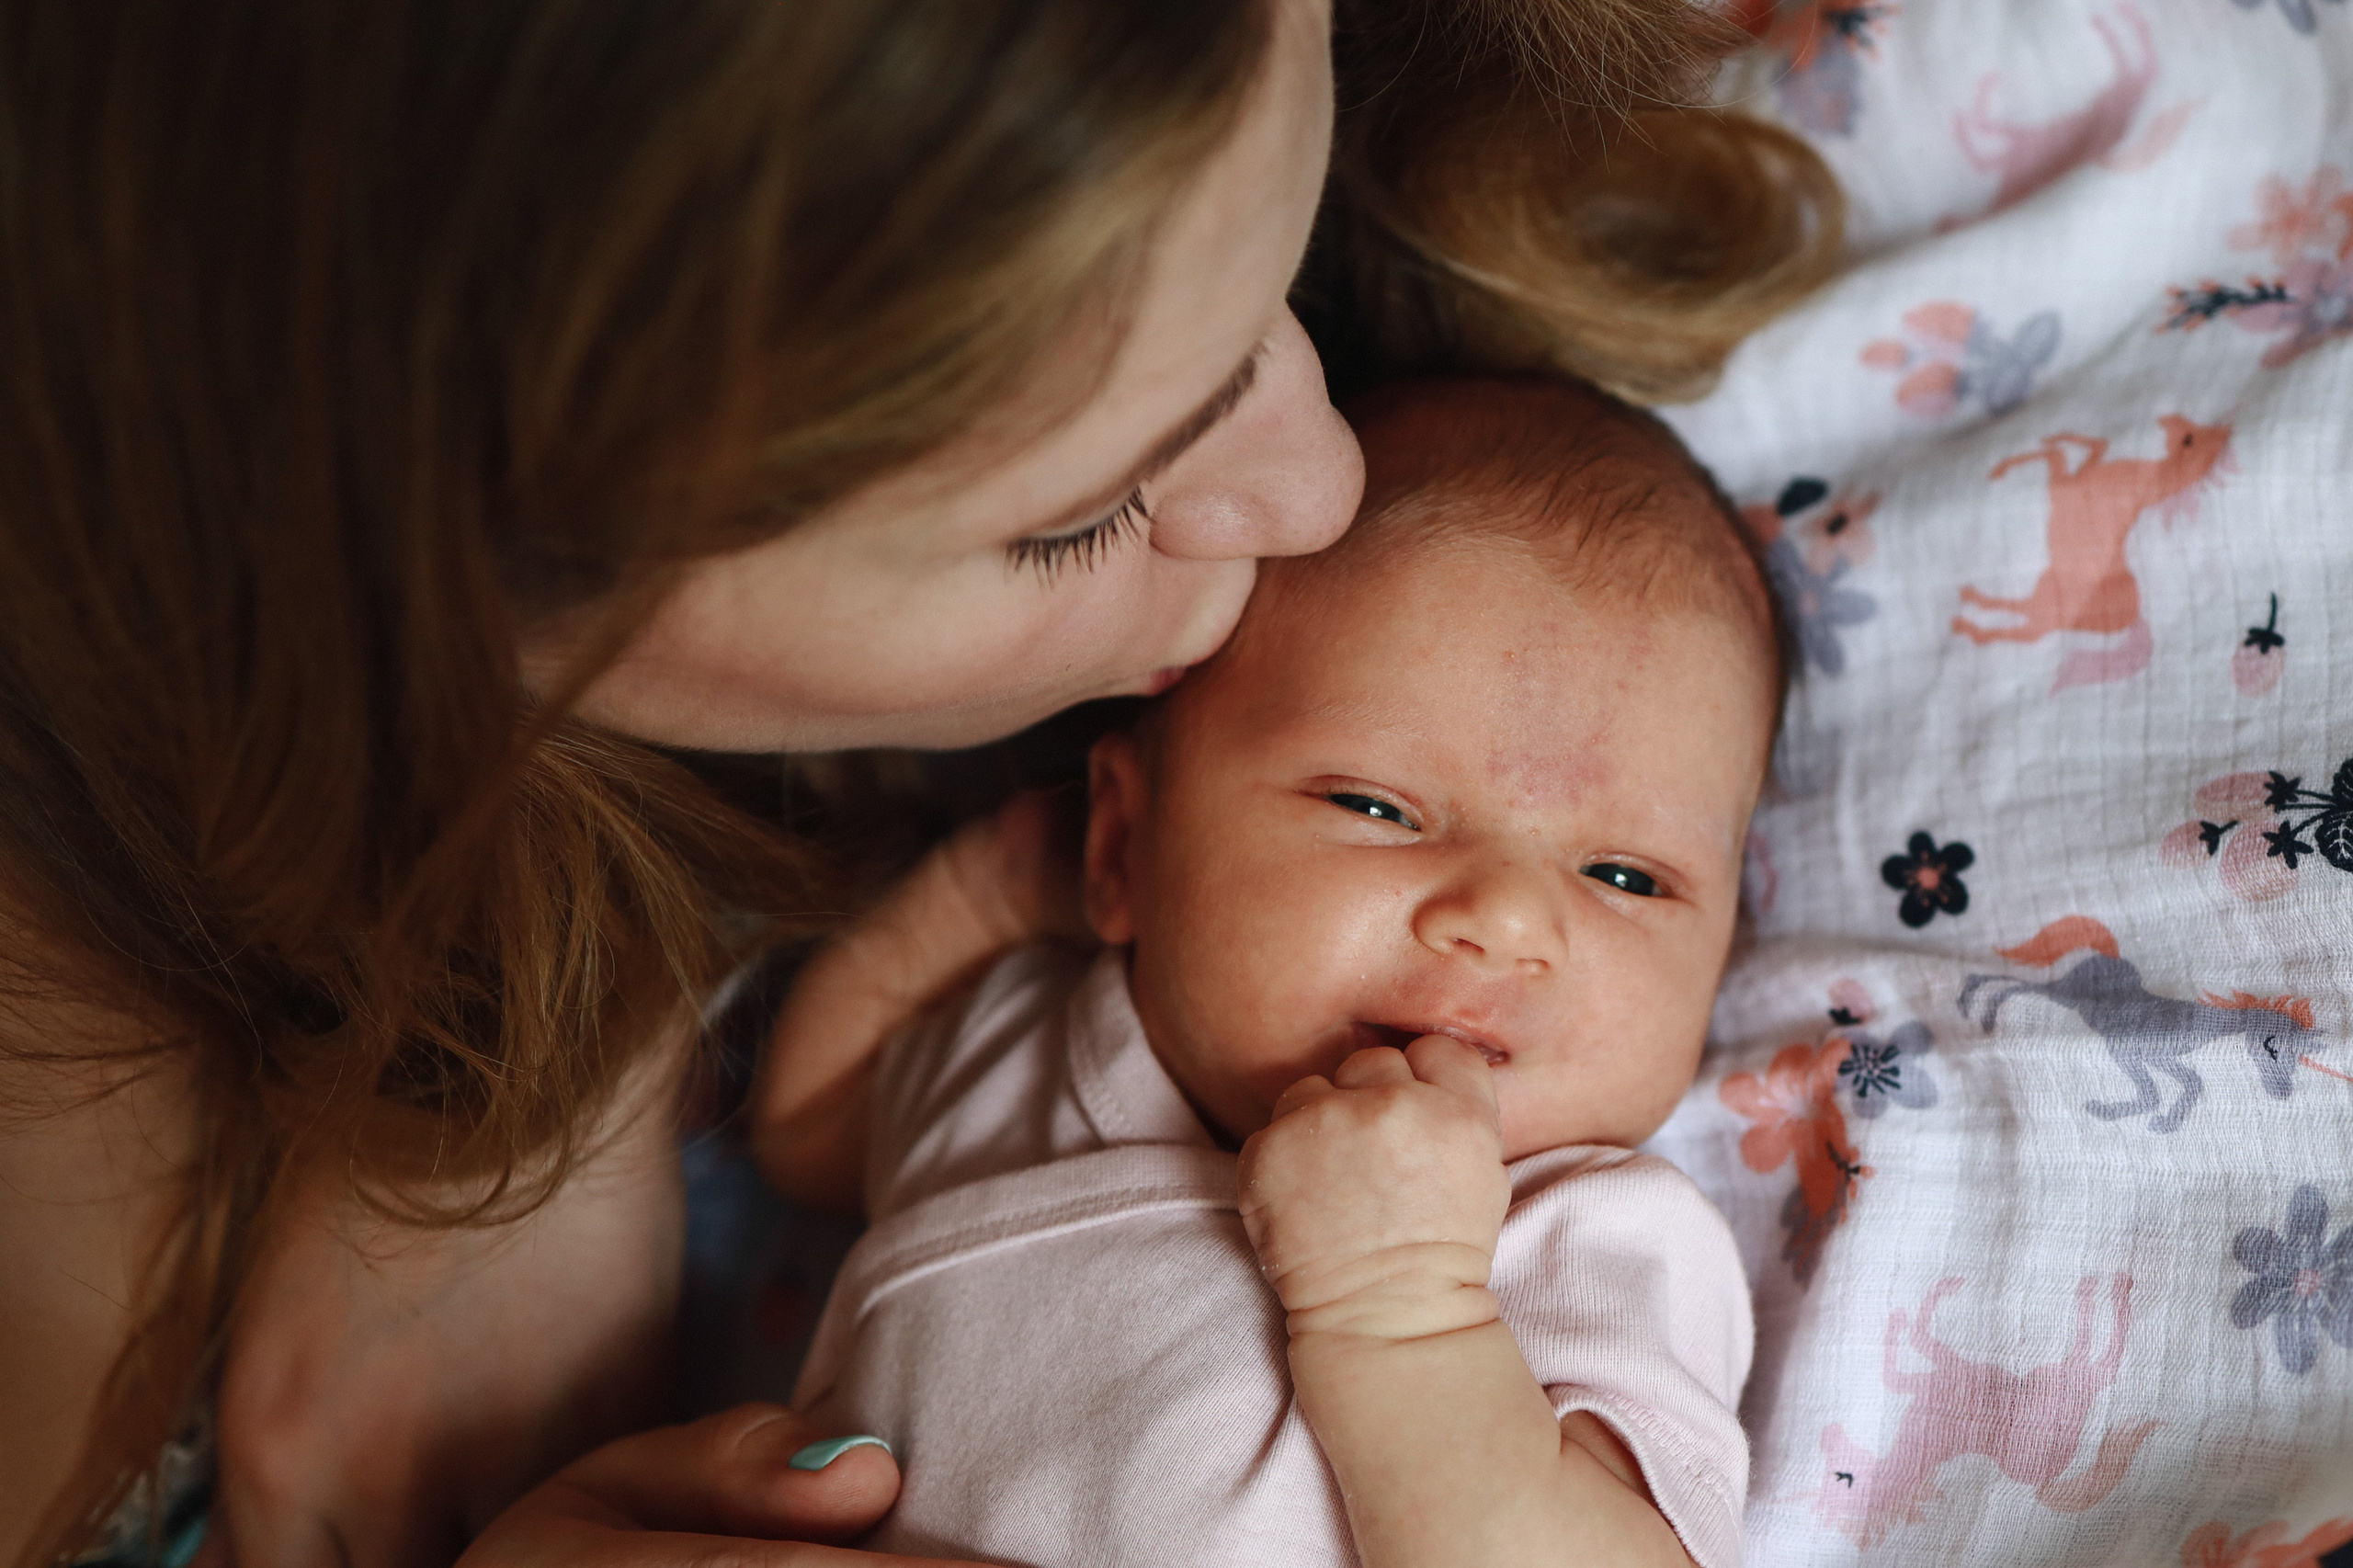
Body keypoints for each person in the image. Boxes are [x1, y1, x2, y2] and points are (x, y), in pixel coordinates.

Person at [0, 2, 1836, 1563]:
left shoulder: (1578, 1230)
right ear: (418, 591)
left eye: (1268, 292)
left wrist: (547, 1056)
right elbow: (824, 1133)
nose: (1318, 494)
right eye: (1081, 508)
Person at [752, 377, 1783, 1567]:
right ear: (1124, 845)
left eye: (1627, 877)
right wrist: (986, 889)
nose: (1505, 917)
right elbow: (809, 1132)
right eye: (1376, 805)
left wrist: (1407, 1314)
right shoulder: (1022, 1040)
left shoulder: (1582, 1238)